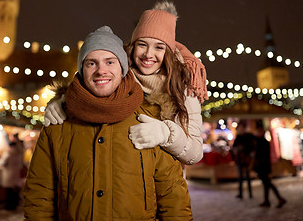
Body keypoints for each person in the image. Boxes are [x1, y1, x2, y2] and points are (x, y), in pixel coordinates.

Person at [23, 26, 192, 220]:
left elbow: (172, 196)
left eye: (110, 62)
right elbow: (39, 196)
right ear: (81, 69)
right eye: (91, 63)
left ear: (122, 68)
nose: (101, 71)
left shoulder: (150, 119)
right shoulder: (58, 125)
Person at [44, 0, 207, 167]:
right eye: (142, 45)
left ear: (169, 52)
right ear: (132, 46)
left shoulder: (182, 86)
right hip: (122, 172)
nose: (148, 55)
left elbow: (195, 154)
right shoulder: (120, 75)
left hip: (165, 180)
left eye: (159, 47)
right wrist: (62, 103)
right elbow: (90, 93)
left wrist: (167, 134)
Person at [253, 120, 287, 208]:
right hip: (262, 167)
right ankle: (268, 200)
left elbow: (266, 157)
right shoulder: (260, 142)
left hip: (263, 167)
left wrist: (268, 170)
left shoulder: (263, 142)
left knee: (268, 184)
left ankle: (279, 199)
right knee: (267, 184)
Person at [0, 133, 24, 210]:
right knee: (14, 191)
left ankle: (9, 206)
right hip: (15, 174)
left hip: (8, 174)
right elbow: (20, 165)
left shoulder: (8, 153)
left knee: (8, 192)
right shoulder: (19, 154)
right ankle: (14, 205)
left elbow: (3, 162)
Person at [231, 120, 256, 199]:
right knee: (240, 177)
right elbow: (234, 148)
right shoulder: (238, 137)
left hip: (246, 159)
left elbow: (251, 147)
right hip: (239, 160)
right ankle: (241, 193)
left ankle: (250, 193)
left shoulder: (248, 136)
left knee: (248, 177)